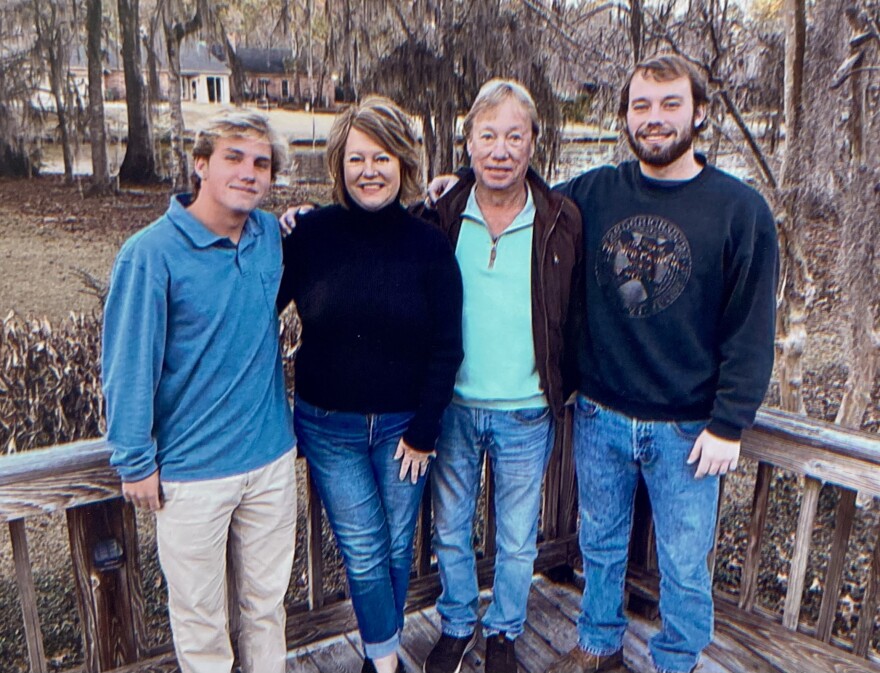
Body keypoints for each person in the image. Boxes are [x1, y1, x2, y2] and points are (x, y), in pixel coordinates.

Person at [545, 54, 779, 673]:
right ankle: (598, 646)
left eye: (670, 104)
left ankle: (676, 660)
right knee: (599, 544)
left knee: (683, 562)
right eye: (641, 105)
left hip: (688, 430)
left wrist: (731, 421)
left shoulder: (740, 210)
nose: (654, 119)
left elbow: (753, 326)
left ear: (699, 113)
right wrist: (454, 185)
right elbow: (517, 202)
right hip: (599, 414)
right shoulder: (593, 192)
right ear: (625, 115)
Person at [102, 111, 297, 673]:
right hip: (189, 476)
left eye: (261, 163)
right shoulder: (150, 253)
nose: (249, 172)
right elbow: (128, 364)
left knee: (265, 610)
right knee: (201, 622)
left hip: (269, 462)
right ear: (200, 164)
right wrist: (135, 459)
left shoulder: (266, 237)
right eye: (233, 158)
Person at [277, 96, 463, 673]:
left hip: (407, 428)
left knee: (396, 547)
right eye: (356, 158)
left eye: (381, 157)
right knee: (362, 550)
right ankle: (385, 663)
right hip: (328, 426)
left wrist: (426, 432)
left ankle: (377, 654)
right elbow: (254, 303)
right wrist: (273, 224)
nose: (369, 171)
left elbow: (447, 347)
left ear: (403, 163)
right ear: (339, 165)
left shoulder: (429, 245)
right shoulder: (309, 235)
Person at [420, 79, 582, 673]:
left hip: (527, 409)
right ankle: (459, 622)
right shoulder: (437, 215)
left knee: (516, 538)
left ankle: (505, 631)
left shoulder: (562, 219)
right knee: (450, 526)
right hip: (453, 407)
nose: (500, 149)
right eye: (487, 135)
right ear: (467, 143)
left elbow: (578, 312)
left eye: (515, 135)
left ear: (534, 143)